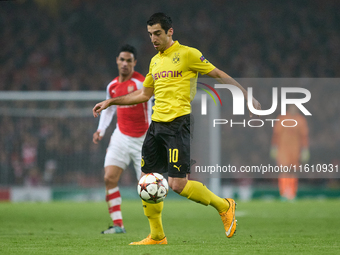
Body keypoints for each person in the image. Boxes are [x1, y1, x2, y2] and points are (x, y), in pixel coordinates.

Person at [93, 13, 261, 244]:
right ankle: (157, 235)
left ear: (170, 32)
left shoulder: (188, 54)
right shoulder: (155, 61)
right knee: (146, 182)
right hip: (156, 126)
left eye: (158, 33)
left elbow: (218, 73)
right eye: (150, 34)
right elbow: (144, 94)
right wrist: (111, 101)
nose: (153, 39)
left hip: (178, 125)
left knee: (177, 185)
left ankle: (224, 205)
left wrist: (245, 95)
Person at [92, 44, 152, 234]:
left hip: (142, 139)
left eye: (129, 60)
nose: (125, 63)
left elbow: (149, 108)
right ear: (117, 61)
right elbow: (109, 109)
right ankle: (118, 225)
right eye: (122, 60)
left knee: (146, 188)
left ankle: (155, 231)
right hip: (121, 136)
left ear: (135, 63)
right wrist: (101, 130)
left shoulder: (142, 83)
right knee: (109, 178)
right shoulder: (112, 86)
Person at [270, 105, 309, 200]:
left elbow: (304, 136)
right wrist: (274, 147)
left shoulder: (301, 120)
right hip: (283, 149)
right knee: (284, 171)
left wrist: (305, 149)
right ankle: (284, 192)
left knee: (293, 171)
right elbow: (276, 134)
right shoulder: (281, 118)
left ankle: (292, 192)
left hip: (295, 149)